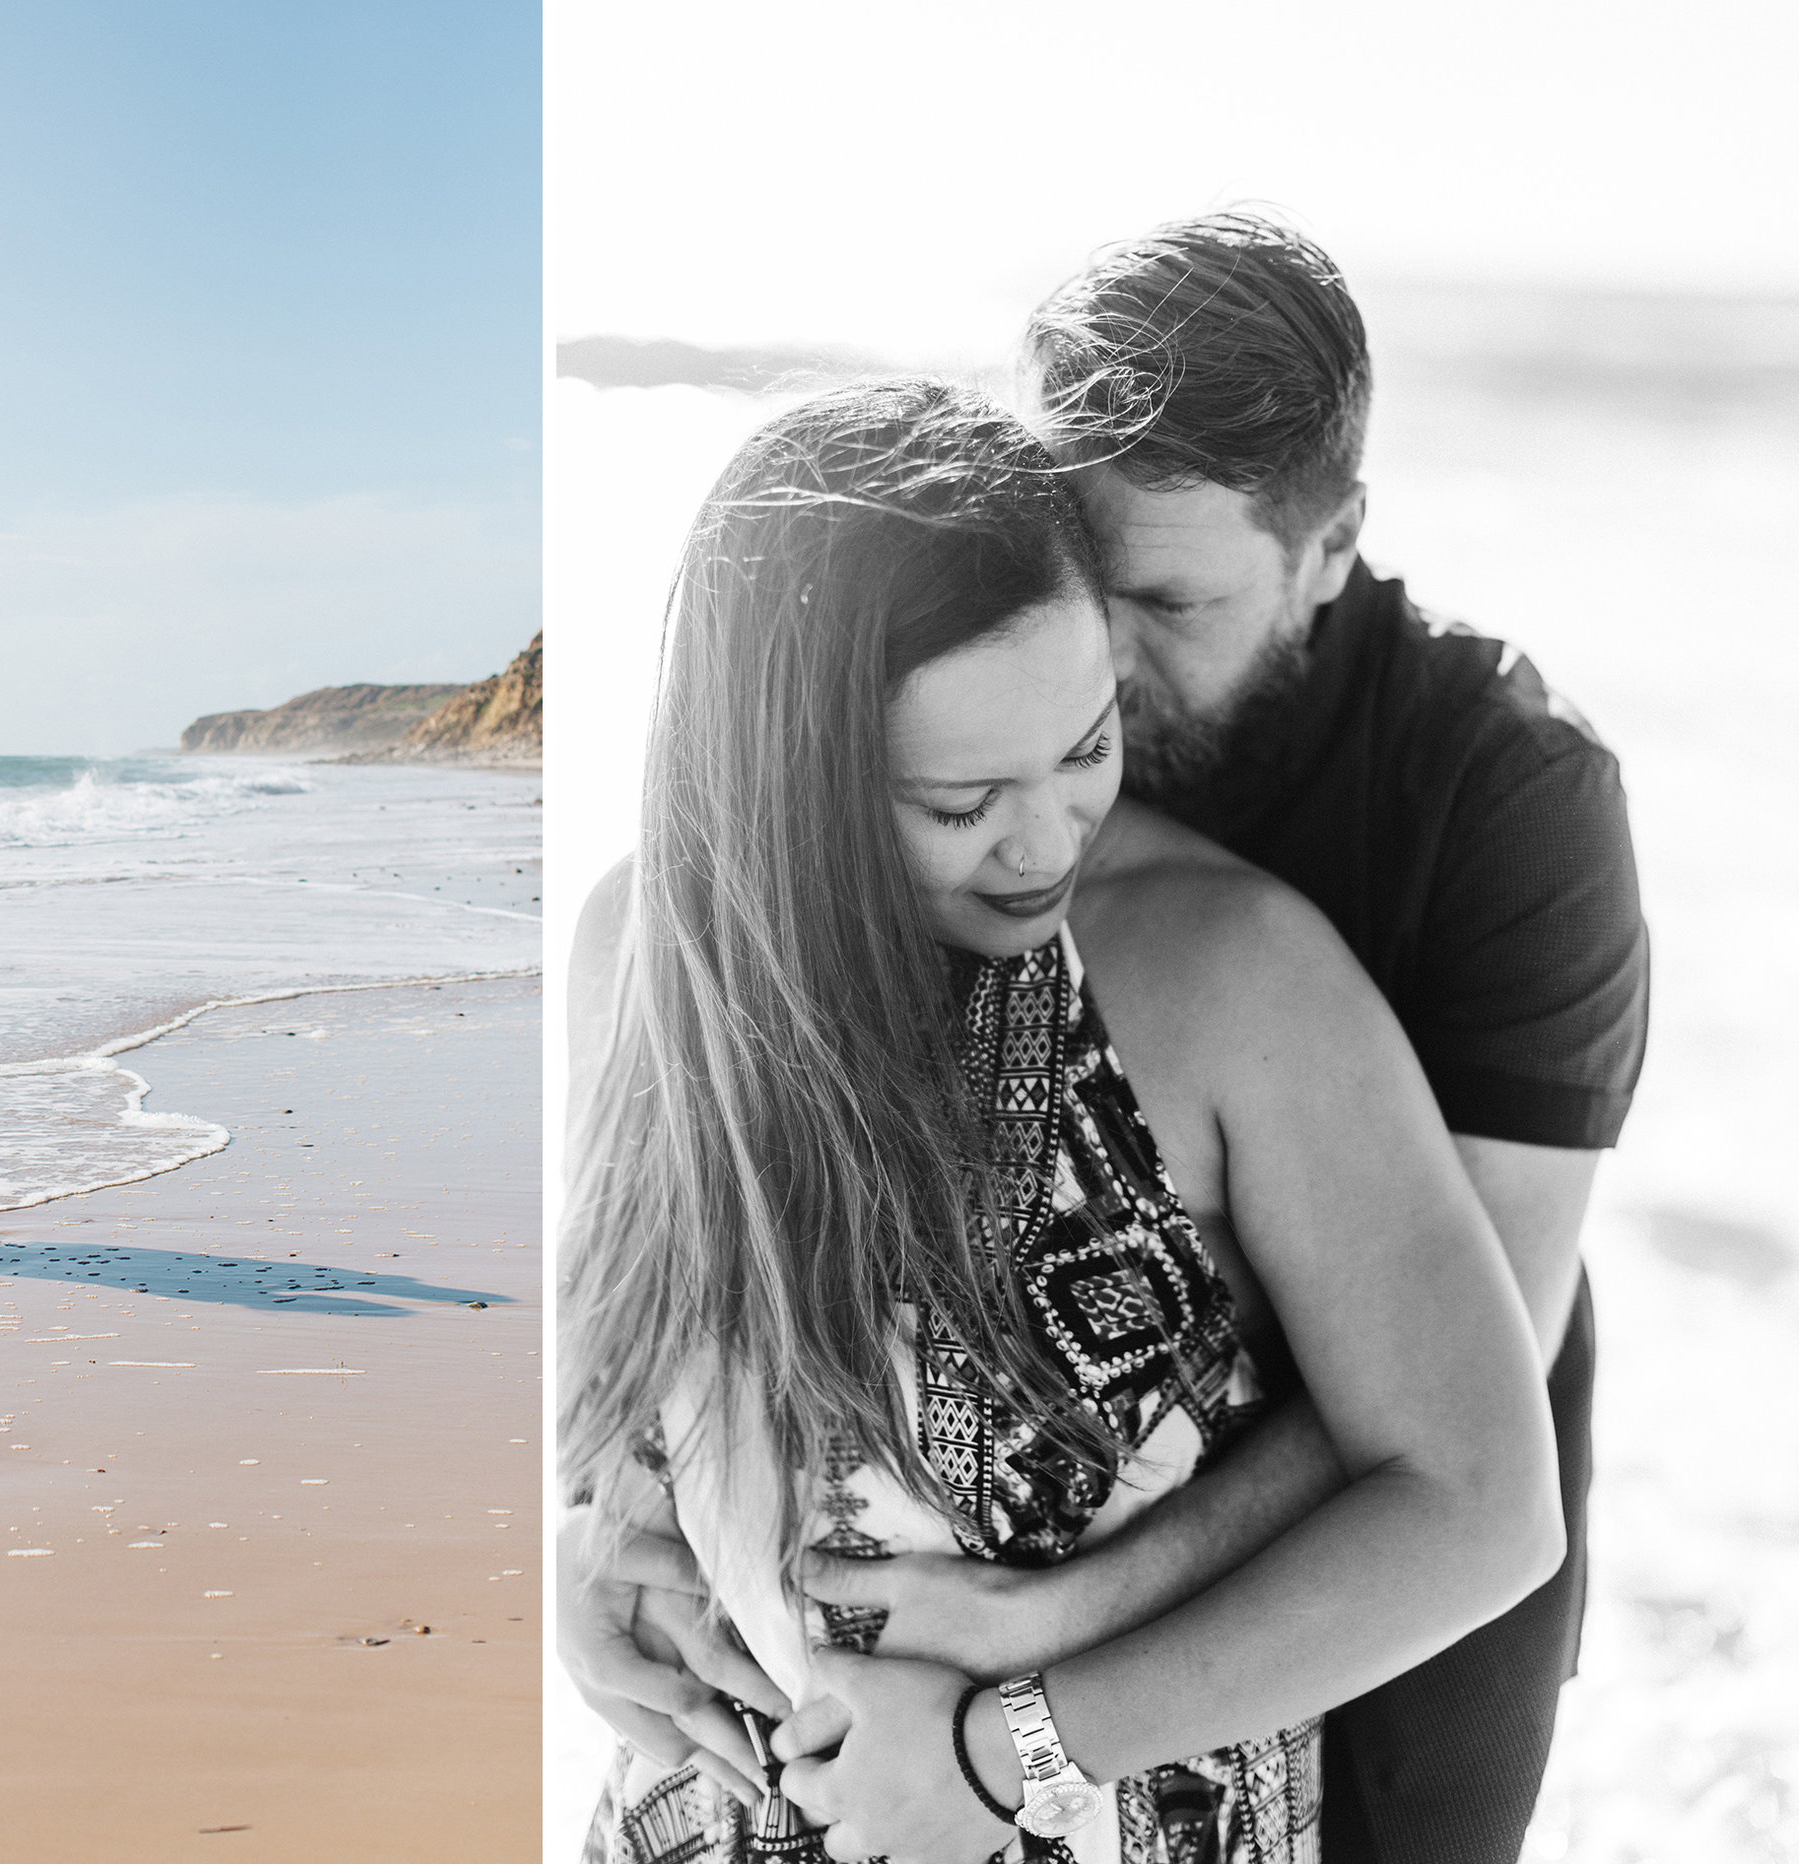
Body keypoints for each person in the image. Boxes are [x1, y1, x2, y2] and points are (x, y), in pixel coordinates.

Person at [566, 216, 1649, 1864]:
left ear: (1329, 542)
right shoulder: (658, 940)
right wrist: (574, 1547)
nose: (1093, 749)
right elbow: (625, 1363)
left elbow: (1468, 1416)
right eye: (1065, 564)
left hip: (1260, 1620)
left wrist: (1032, 1680)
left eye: (1158, 606)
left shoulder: (1471, 820)